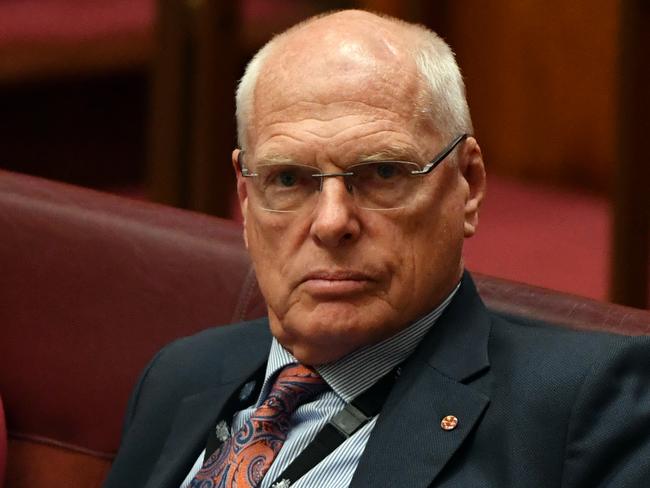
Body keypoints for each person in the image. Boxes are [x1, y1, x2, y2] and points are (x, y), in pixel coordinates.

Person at [105, 10, 650, 488]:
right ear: (246, 201)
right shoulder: (180, 375)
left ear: (469, 185)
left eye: (383, 173)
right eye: (290, 180)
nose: (332, 222)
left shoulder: (582, 406)